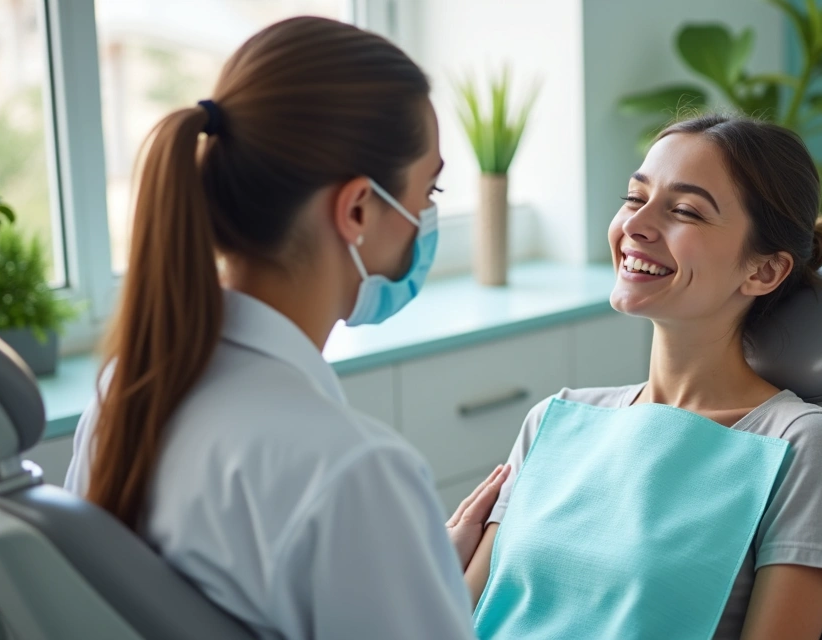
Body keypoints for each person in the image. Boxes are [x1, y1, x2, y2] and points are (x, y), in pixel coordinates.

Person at [64, 17, 505, 639]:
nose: (427, 216)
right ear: (356, 209)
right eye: (427, 191)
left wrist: (410, 560)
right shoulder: (355, 471)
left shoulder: (126, 391)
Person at [465, 115, 822, 640]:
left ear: (762, 271)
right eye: (634, 198)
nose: (636, 225)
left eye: (686, 211)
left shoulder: (798, 443)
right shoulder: (555, 421)